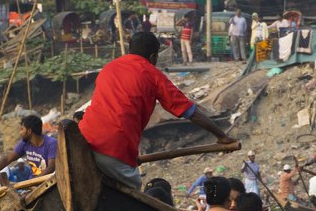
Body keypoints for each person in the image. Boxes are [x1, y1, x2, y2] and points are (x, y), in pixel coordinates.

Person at [79, 32, 235, 188]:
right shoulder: (152, 75)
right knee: (134, 188)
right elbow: (190, 111)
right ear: (153, 56)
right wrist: (222, 136)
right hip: (114, 147)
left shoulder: (108, 68)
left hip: (83, 139)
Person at [0, 114, 57, 182]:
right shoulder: (25, 143)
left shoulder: (51, 143)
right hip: (33, 182)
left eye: (22, 129)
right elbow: (7, 159)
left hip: (49, 181)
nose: (20, 132)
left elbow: (51, 167)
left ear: (29, 131)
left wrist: (35, 181)